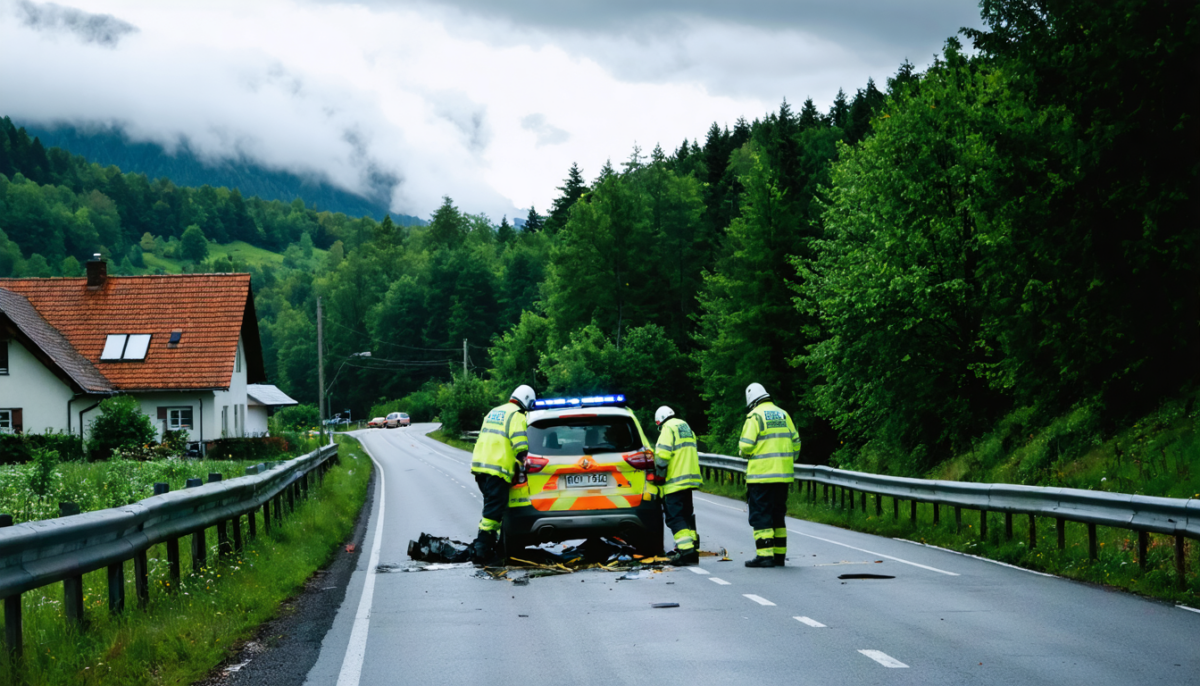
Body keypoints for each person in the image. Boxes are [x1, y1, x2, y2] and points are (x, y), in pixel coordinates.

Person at [469, 385, 535, 563]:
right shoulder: (517, 415)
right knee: (493, 511)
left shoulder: (495, 411)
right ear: (528, 401)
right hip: (497, 470)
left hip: (481, 467)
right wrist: (524, 460)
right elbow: (520, 443)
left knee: (493, 508)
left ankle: (494, 546)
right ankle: (482, 548)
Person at [738, 383, 799, 568]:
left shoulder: (755, 416)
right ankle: (779, 556)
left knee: (761, 515)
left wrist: (745, 453)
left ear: (752, 402)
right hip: (783, 476)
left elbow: (745, 446)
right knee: (777, 515)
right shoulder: (783, 414)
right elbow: (796, 443)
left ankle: (764, 556)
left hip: (761, 476)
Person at [653, 406, 702, 566]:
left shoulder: (668, 429)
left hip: (675, 481)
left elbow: (662, 456)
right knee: (687, 514)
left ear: (660, 421)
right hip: (689, 479)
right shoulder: (685, 427)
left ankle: (686, 550)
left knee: (675, 517)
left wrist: (659, 474)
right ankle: (693, 549)